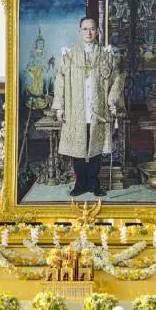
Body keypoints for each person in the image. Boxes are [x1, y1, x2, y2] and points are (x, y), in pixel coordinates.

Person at [52, 16, 125, 198]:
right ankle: (80, 183)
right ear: (79, 32)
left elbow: (117, 79)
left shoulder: (107, 56)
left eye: (92, 29)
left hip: (97, 109)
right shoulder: (69, 56)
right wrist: (60, 107)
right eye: (85, 29)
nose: (89, 32)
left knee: (96, 147)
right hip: (75, 109)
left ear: (97, 32)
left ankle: (94, 182)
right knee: (78, 148)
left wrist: (112, 100)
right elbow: (59, 81)